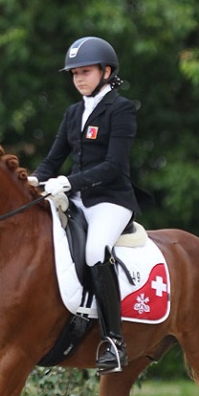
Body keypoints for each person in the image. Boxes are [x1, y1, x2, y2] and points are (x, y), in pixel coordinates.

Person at [29, 36, 140, 374]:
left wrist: (69, 182)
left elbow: (113, 166)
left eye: (86, 72)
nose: (79, 78)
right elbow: (53, 159)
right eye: (74, 73)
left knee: (95, 251)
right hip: (77, 197)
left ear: (107, 72)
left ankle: (113, 341)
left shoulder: (121, 109)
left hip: (111, 200)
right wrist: (33, 180)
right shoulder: (74, 112)